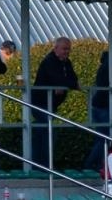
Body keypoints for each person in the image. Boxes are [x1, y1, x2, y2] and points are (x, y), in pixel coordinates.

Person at [30, 37, 79, 169]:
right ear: (55, 48)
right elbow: (57, 79)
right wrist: (63, 84)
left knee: (42, 133)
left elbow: (74, 81)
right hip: (39, 103)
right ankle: (43, 165)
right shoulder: (49, 62)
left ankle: (41, 165)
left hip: (50, 105)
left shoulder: (66, 63)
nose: (67, 52)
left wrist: (64, 85)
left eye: (68, 49)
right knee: (47, 132)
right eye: (64, 49)